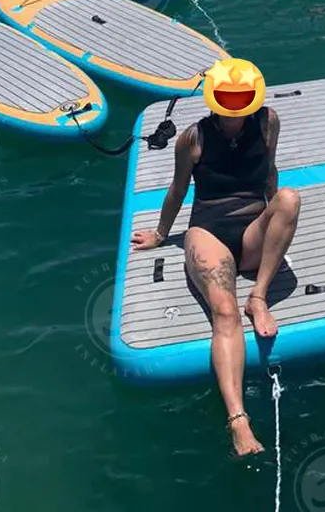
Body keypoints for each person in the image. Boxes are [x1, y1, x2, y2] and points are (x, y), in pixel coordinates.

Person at [131, 106, 301, 457]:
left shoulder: (268, 121)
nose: (234, 109)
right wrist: (162, 234)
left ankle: (259, 296)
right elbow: (178, 189)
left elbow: (270, 171)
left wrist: (274, 222)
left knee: (289, 199)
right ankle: (238, 421)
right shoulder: (193, 138)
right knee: (224, 312)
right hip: (209, 232)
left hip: (252, 231)